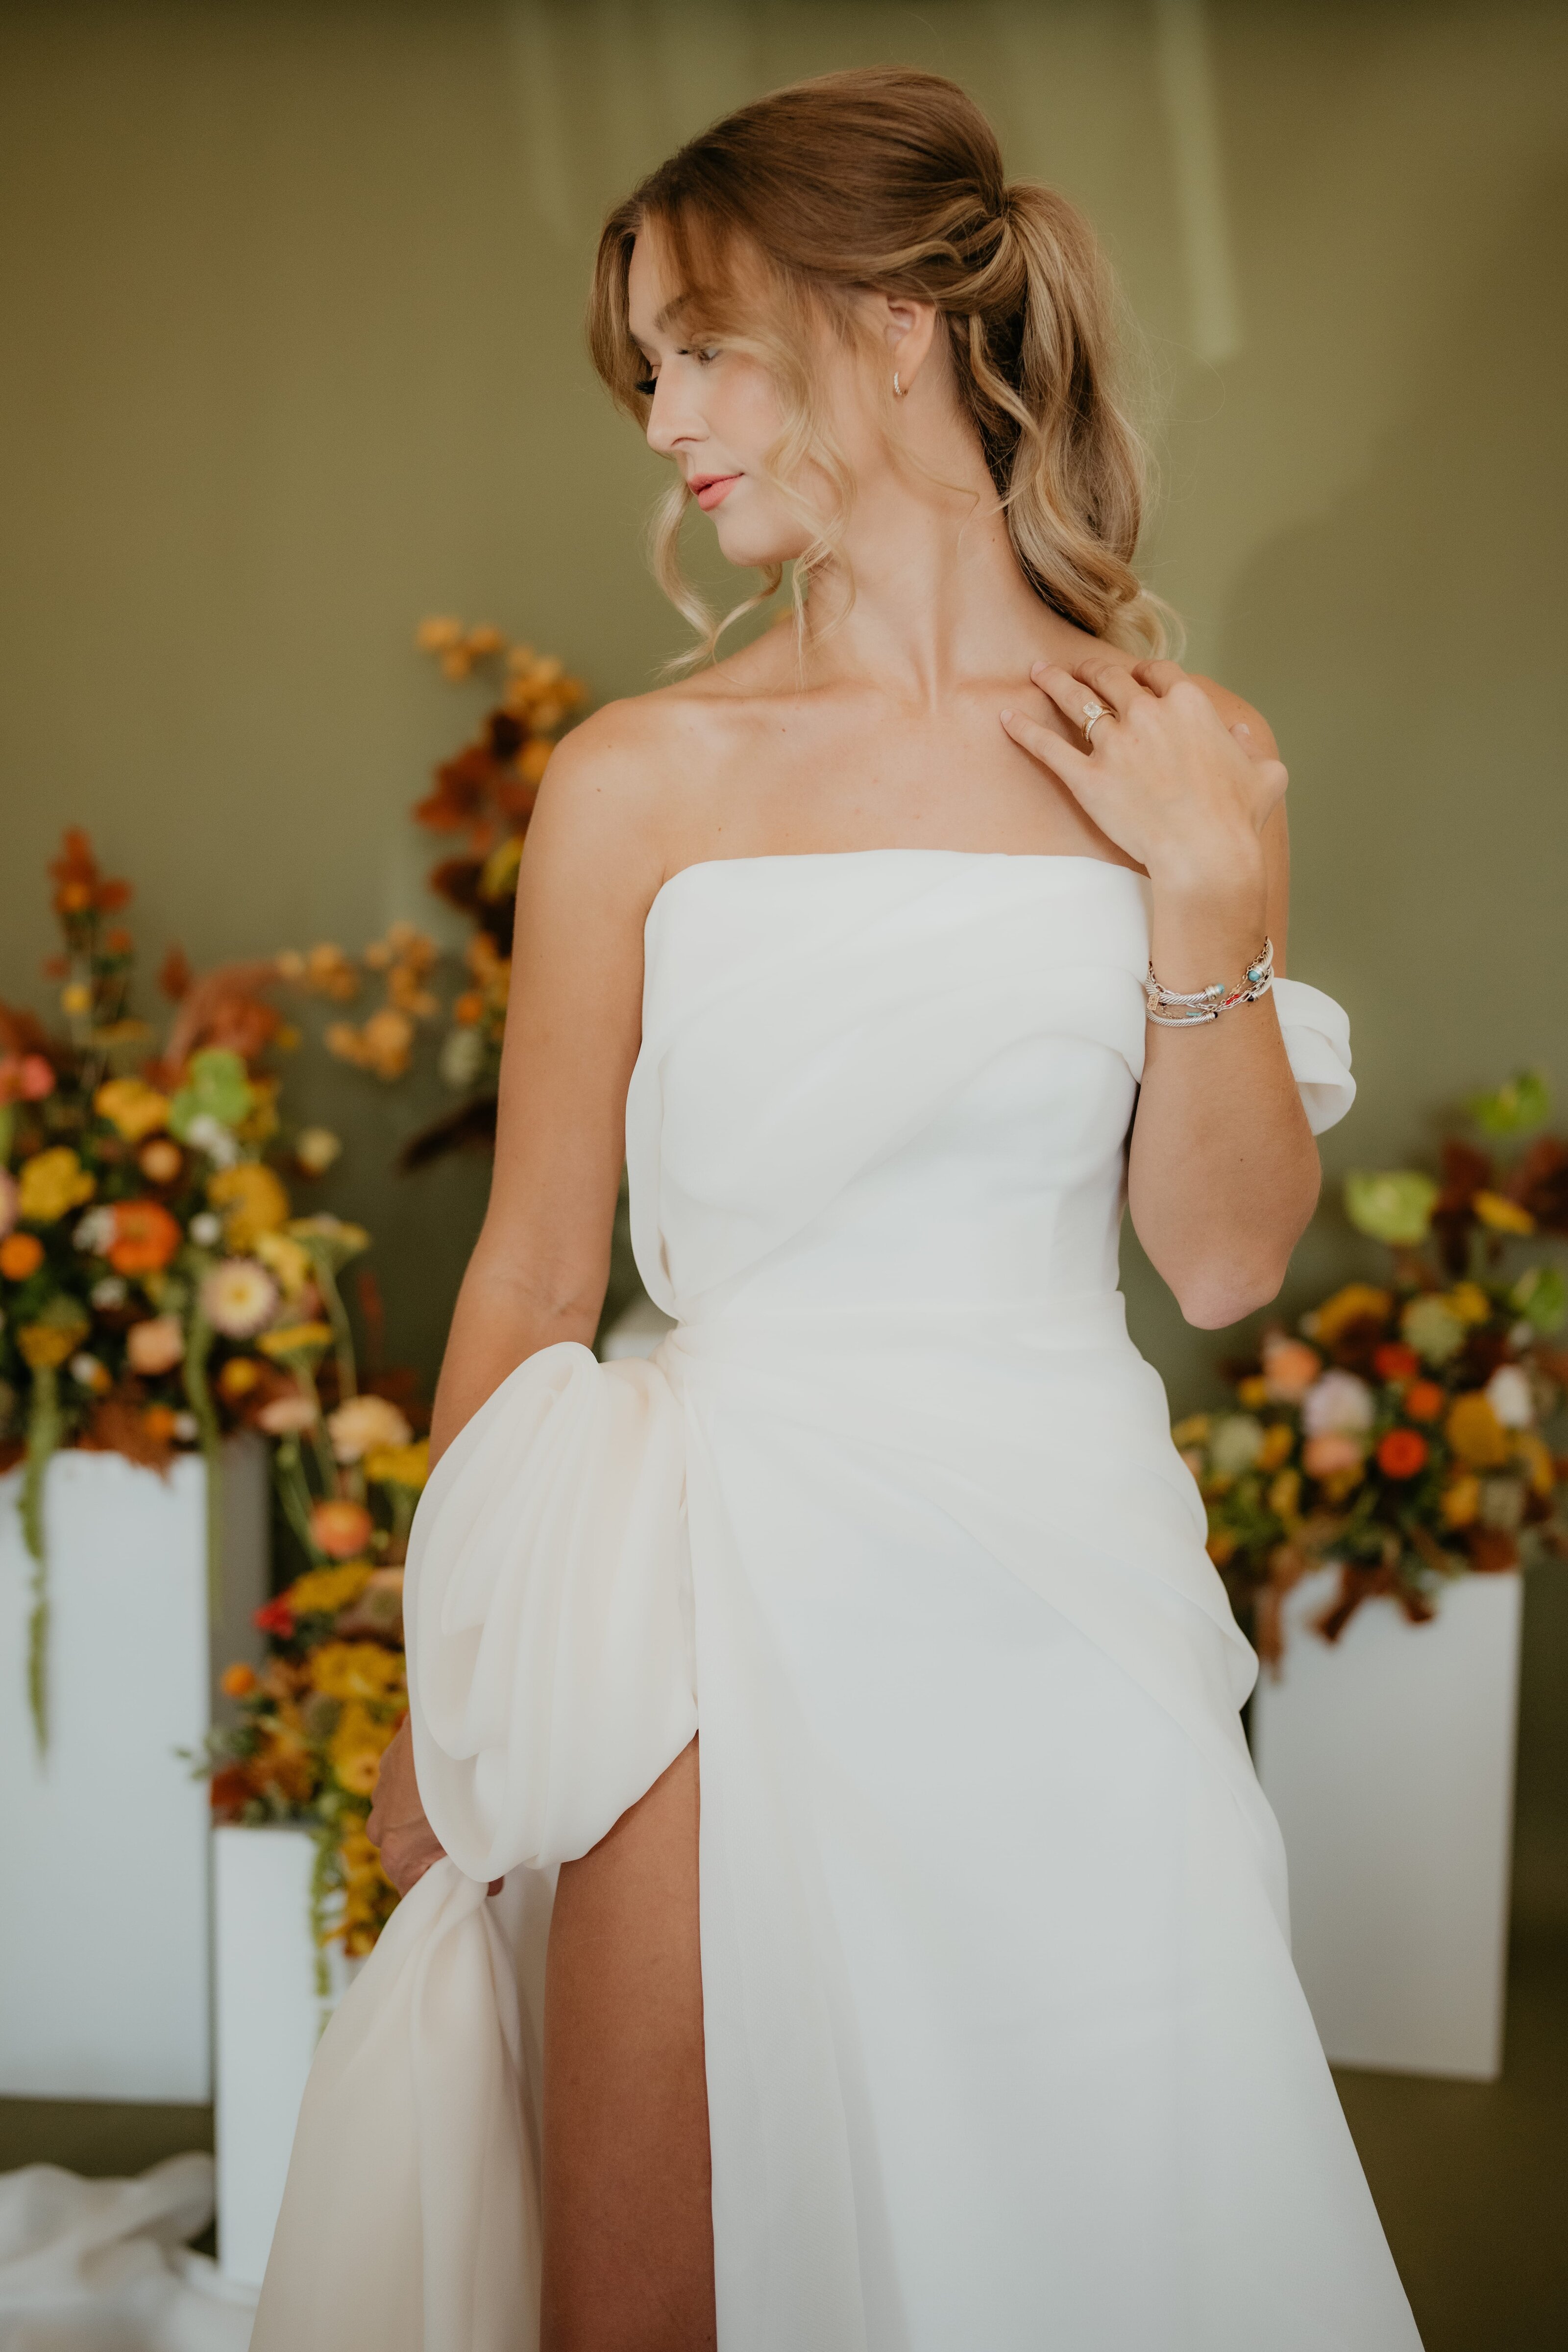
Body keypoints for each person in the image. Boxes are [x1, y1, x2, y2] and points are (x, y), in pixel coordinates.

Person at [253, 66, 1422, 2352]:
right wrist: (452, 1685)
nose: (662, 417)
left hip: (1053, 1583)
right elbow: (531, 1265)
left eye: (698, 346)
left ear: (889, 327)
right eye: (644, 368)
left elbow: (1215, 1258)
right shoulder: (636, 779)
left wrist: (1198, 889)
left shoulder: (1202, 763)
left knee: (1080, 2246)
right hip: (696, 1591)